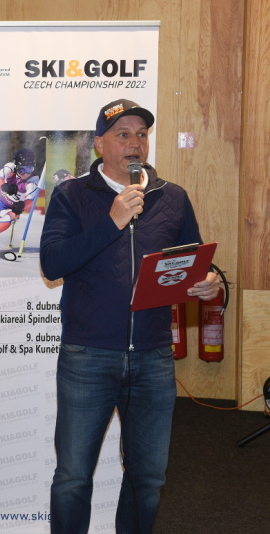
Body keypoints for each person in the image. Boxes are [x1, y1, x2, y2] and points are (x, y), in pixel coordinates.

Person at [39, 99, 220, 534]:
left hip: (153, 357)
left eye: (141, 134)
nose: (135, 143)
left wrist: (210, 282)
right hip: (88, 356)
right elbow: (53, 263)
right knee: (73, 477)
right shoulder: (72, 195)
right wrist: (113, 220)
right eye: (122, 135)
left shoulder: (172, 197)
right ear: (100, 144)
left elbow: (193, 261)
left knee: (148, 478)